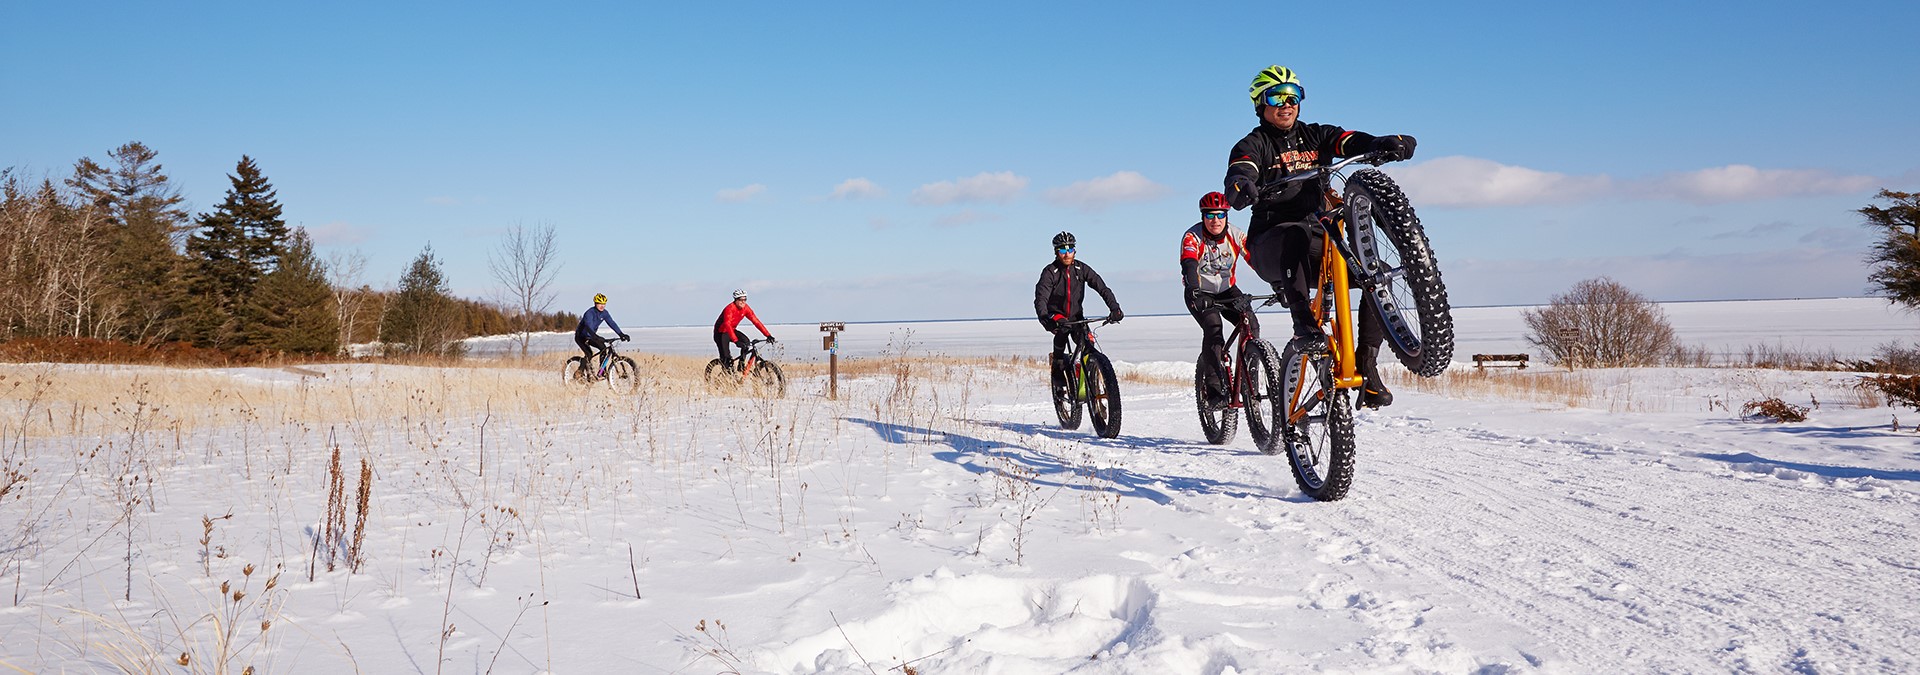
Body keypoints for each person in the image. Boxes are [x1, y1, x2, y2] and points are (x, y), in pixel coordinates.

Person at [1223, 65, 1417, 408]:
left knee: (1376, 273)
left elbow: (1348, 141)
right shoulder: (1254, 144)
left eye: (1293, 96)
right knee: (1295, 233)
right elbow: (1242, 168)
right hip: (1271, 241)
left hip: (1317, 238)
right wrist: (1241, 185)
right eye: (1276, 97)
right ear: (1260, 104)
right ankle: (1304, 325)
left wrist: (1381, 143)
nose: (1286, 104)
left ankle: (1366, 364)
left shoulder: (1316, 135)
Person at [1182, 192, 1250, 409]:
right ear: (1203, 217)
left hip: (1227, 290)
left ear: (1226, 216)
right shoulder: (1192, 237)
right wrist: (1194, 289)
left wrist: (1279, 283)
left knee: (1250, 323)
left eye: (1220, 214)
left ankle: (1251, 375)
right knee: (1213, 328)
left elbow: (1255, 258)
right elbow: (1189, 264)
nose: (1215, 220)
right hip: (1200, 292)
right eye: (1210, 215)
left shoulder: (1236, 235)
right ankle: (1213, 390)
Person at [1034, 231, 1123, 387]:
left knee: (1088, 343)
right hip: (1056, 315)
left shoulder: (1081, 269)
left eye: (1070, 249)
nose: (1067, 254)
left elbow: (1102, 288)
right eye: (1062, 250)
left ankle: (1086, 376)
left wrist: (1114, 308)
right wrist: (1044, 318)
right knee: (1063, 329)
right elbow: (1041, 298)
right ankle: (1057, 366)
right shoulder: (1050, 272)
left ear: (1075, 251)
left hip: (1076, 316)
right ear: (1056, 252)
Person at [714, 289, 774, 370]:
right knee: (726, 359)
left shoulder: (746, 308)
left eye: (745, 299)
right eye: (740, 300)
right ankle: (725, 377)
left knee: (746, 343)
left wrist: (768, 335)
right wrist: (736, 341)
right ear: (735, 300)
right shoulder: (729, 309)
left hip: (731, 330)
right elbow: (727, 325)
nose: (743, 302)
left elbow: (756, 321)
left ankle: (741, 364)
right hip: (721, 333)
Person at [575, 293, 630, 371]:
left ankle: (602, 371)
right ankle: (579, 372)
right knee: (589, 354)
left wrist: (621, 334)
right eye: (600, 303)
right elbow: (588, 327)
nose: (602, 306)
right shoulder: (589, 313)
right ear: (595, 303)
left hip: (591, 336)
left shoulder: (604, 313)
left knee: (603, 349)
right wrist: (595, 337)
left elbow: (611, 323)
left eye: (604, 304)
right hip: (581, 336)